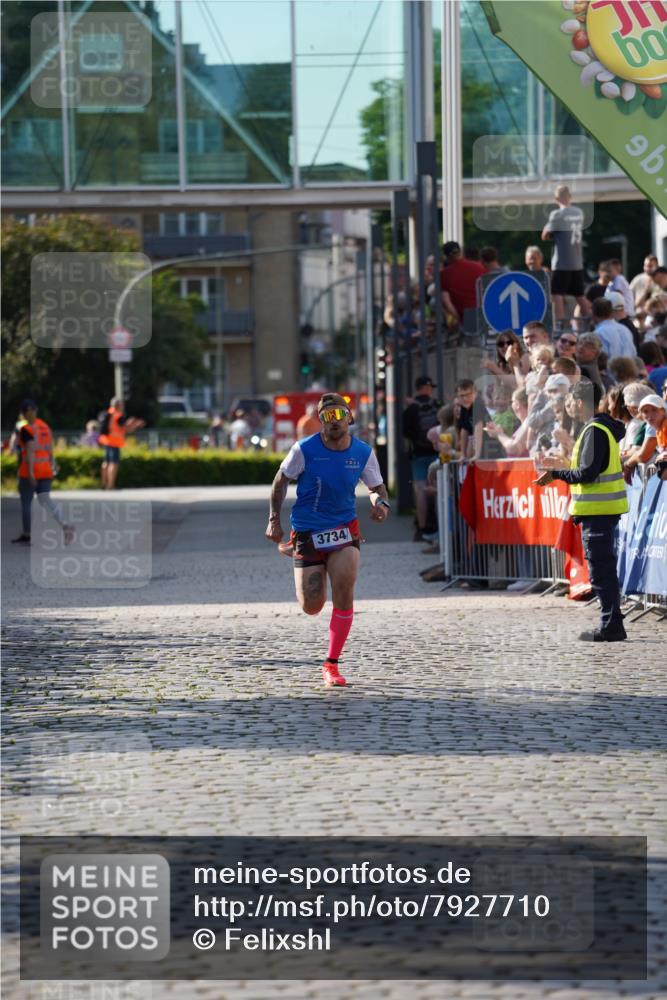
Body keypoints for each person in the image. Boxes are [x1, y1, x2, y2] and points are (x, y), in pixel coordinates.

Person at [265, 392, 389, 688]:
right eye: (326, 416)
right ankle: (294, 548)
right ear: (320, 421)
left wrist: (381, 504)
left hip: (345, 530)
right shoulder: (304, 449)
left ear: (350, 417)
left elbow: (378, 489)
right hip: (308, 529)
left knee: (344, 588)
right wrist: (273, 520)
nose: (333, 422)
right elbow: (280, 481)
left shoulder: (362, 452)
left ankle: (331, 664)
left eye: (338, 415)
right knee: (312, 605)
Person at [536, 379, 628, 642]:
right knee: (603, 568)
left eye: (570, 402)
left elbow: (587, 473)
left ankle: (611, 625)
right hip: (601, 511)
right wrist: (563, 466)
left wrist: (556, 473)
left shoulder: (595, 430)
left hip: (598, 511)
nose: (568, 407)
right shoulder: (598, 428)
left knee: (601, 570)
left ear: (579, 402)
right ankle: (612, 622)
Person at [11, 399, 73, 546]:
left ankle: (27, 534)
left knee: (26, 503)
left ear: (23, 413)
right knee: (46, 500)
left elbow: (31, 450)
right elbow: (50, 450)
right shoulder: (44, 426)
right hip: (45, 469)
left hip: (29, 472)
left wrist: (32, 473)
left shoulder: (25, 428)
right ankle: (65, 524)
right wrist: (53, 465)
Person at [541, 184, 589, 324]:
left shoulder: (557, 214)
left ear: (556, 199)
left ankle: (560, 325)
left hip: (562, 262)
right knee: (579, 294)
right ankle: (591, 321)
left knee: (557, 294)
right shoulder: (579, 212)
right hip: (577, 261)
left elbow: (544, 235)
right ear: (570, 196)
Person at [402, 376, 440, 541]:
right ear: (427, 387)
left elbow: (405, 433)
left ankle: (422, 528)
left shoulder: (410, 409)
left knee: (421, 491)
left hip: (418, 455)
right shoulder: (437, 405)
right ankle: (439, 526)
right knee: (439, 489)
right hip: (436, 453)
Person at [98, 397, 145, 490]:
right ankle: (110, 485)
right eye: (121, 405)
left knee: (105, 463)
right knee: (113, 464)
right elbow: (126, 429)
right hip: (114, 442)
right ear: (118, 405)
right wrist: (136, 425)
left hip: (106, 441)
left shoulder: (108, 413)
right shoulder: (118, 415)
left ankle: (104, 483)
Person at [439, 240, 485, 324]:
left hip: (465, 316)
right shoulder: (479, 267)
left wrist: (459, 318)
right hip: (484, 313)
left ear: (446, 256)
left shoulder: (444, 274)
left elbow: (445, 300)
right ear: (460, 252)